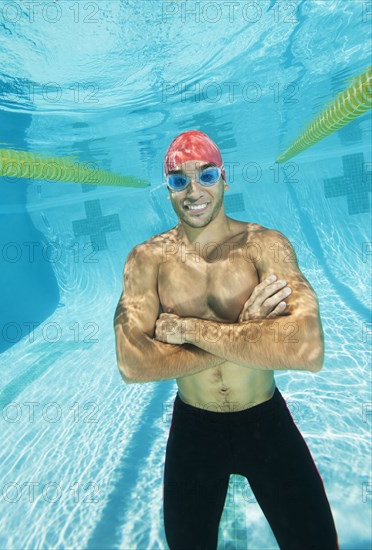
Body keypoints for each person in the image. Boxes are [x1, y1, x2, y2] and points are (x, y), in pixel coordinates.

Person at [113, 130, 339, 550]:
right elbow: (132, 364)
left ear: (224, 178)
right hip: (195, 432)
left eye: (206, 175)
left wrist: (189, 330)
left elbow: (309, 349)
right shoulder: (147, 259)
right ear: (167, 189)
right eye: (179, 180)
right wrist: (248, 330)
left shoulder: (264, 245)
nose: (193, 190)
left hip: (265, 422)